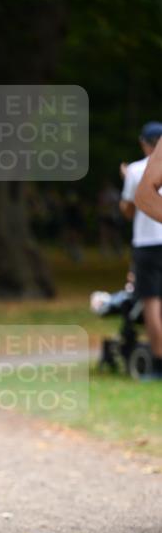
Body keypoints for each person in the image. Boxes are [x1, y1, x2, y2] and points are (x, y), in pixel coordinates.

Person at [120, 122, 162, 381]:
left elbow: (128, 209)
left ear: (144, 143)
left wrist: (128, 180)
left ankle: (159, 364)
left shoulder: (137, 169)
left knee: (152, 304)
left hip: (147, 244)